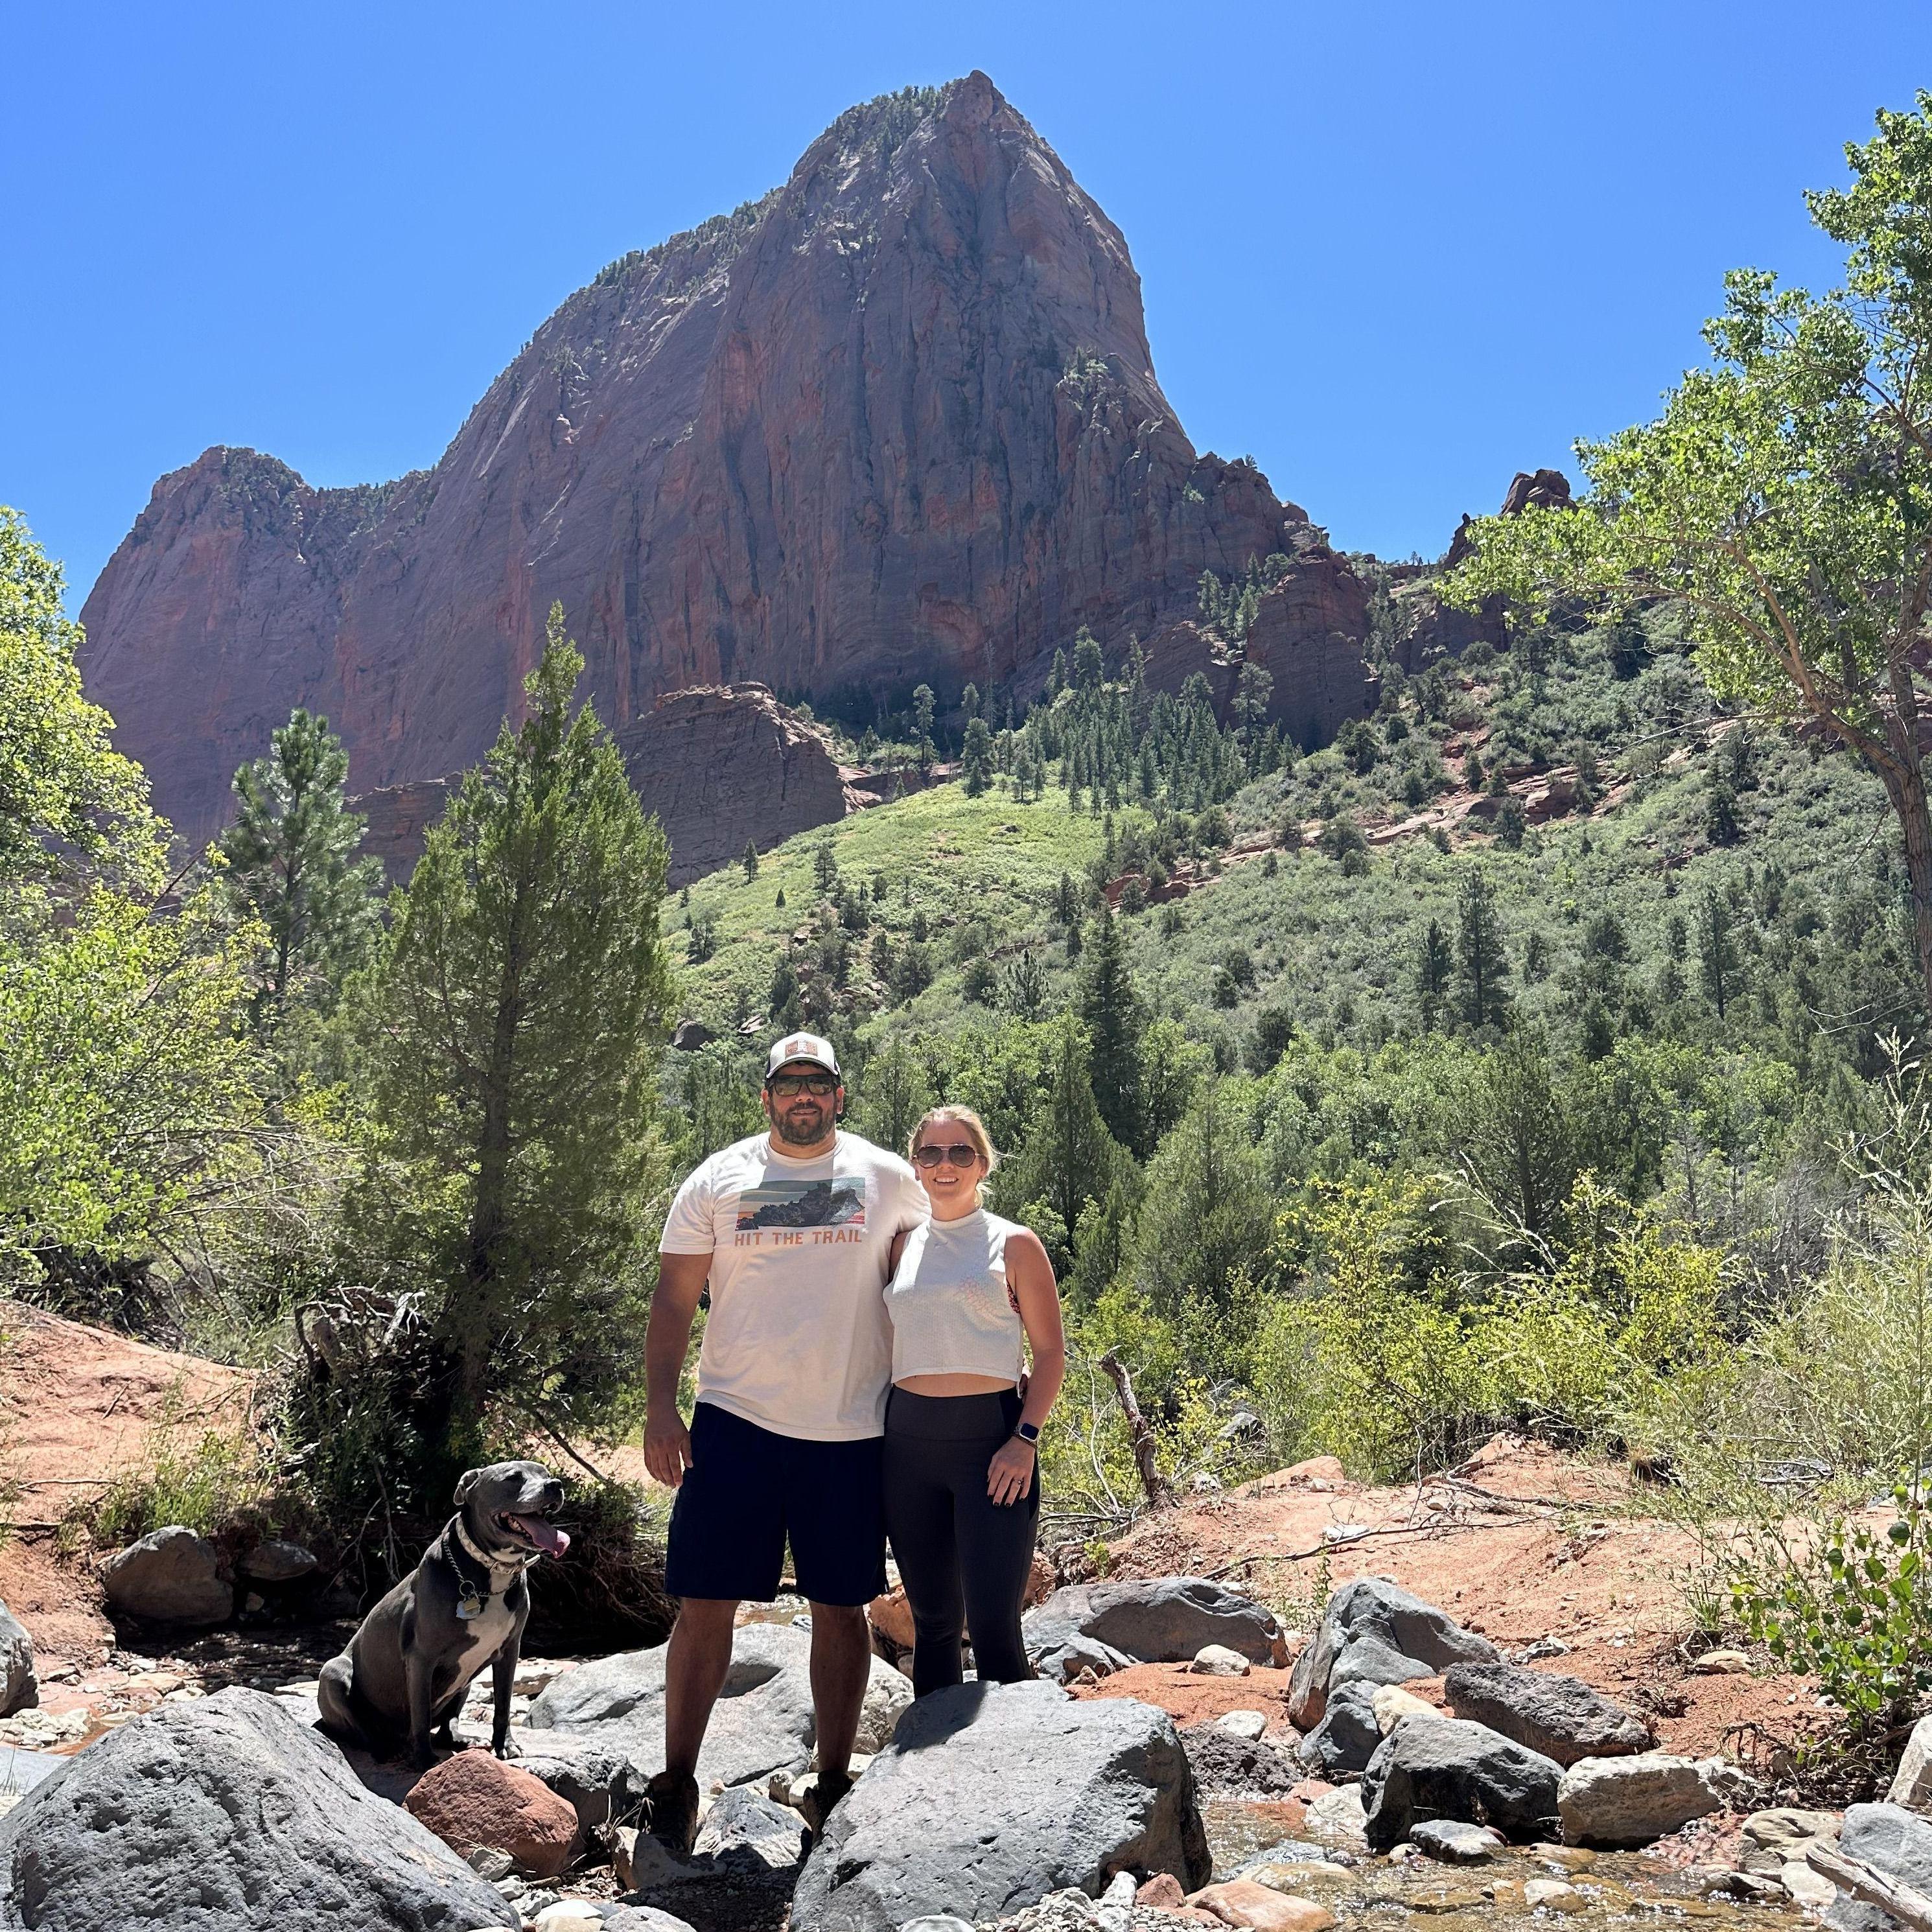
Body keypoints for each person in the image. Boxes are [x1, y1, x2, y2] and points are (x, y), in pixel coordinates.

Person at [642, 1032, 927, 1852]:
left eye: (818, 1082)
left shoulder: (887, 1177)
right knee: (704, 1605)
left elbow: (953, 1249)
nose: (803, 1094)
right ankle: (677, 1780)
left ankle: (832, 1781)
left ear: (840, 1094)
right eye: (787, 1082)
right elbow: (671, 1302)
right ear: (765, 1095)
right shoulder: (717, 1179)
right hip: (734, 1422)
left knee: (841, 1607)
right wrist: (661, 1410)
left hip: (848, 1427)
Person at [883, 1105, 1065, 1696]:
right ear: (915, 1166)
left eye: (959, 1152)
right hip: (906, 1447)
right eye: (931, 1153)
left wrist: (1025, 1440)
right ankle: (933, 1773)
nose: (945, 1165)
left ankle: (1011, 1777)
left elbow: (1051, 1354)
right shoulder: (899, 1246)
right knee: (933, 1624)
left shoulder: (1014, 1243)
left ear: (982, 1164)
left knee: (992, 1625)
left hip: (992, 1447)